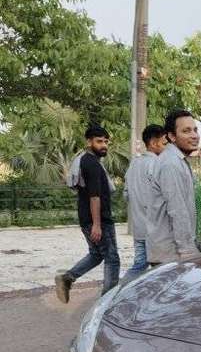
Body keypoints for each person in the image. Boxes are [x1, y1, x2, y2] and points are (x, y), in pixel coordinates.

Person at [55, 125, 120, 303]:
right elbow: (94, 197)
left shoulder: (87, 161)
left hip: (87, 218)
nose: (104, 145)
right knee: (112, 259)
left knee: (97, 254)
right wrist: (97, 225)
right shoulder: (91, 164)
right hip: (98, 220)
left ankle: (67, 278)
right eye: (99, 141)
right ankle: (107, 303)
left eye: (106, 142)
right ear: (89, 142)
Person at [147, 109, 201, 265]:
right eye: (186, 131)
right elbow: (177, 210)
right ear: (171, 136)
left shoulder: (176, 160)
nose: (194, 135)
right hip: (171, 255)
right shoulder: (170, 164)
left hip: (172, 253)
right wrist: (188, 251)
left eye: (195, 130)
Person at [123, 123, 167, 279]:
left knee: (141, 265)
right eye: (164, 143)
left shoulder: (134, 164)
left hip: (139, 227)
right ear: (154, 143)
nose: (166, 148)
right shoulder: (158, 164)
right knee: (157, 269)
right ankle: (117, 294)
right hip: (157, 231)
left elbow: (126, 195)